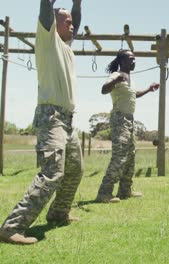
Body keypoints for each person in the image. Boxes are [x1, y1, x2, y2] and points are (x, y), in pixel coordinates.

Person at [0, 0, 83, 245]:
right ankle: (11, 228)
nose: (72, 25)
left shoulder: (66, 46)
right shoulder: (47, 38)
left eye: (71, 22)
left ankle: (59, 212)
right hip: (51, 117)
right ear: (52, 24)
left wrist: (77, 4)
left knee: (75, 169)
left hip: (67, 119)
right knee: (52, 172)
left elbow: (75, 21)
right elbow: (46, 7)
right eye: (66, 21)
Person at [95, 50, 159, 203]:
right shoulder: (116, 75)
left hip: (130, 120)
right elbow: (104, 89)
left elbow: (133, 94)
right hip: (119, 119)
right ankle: (104, 193)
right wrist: (116, 79)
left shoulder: (130, 78)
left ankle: (125, 190)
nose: (134, 61)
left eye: (135, 59)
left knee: (130, 155)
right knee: (120, 156)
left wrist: (149, 90)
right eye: (131, 59)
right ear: (122, 61)